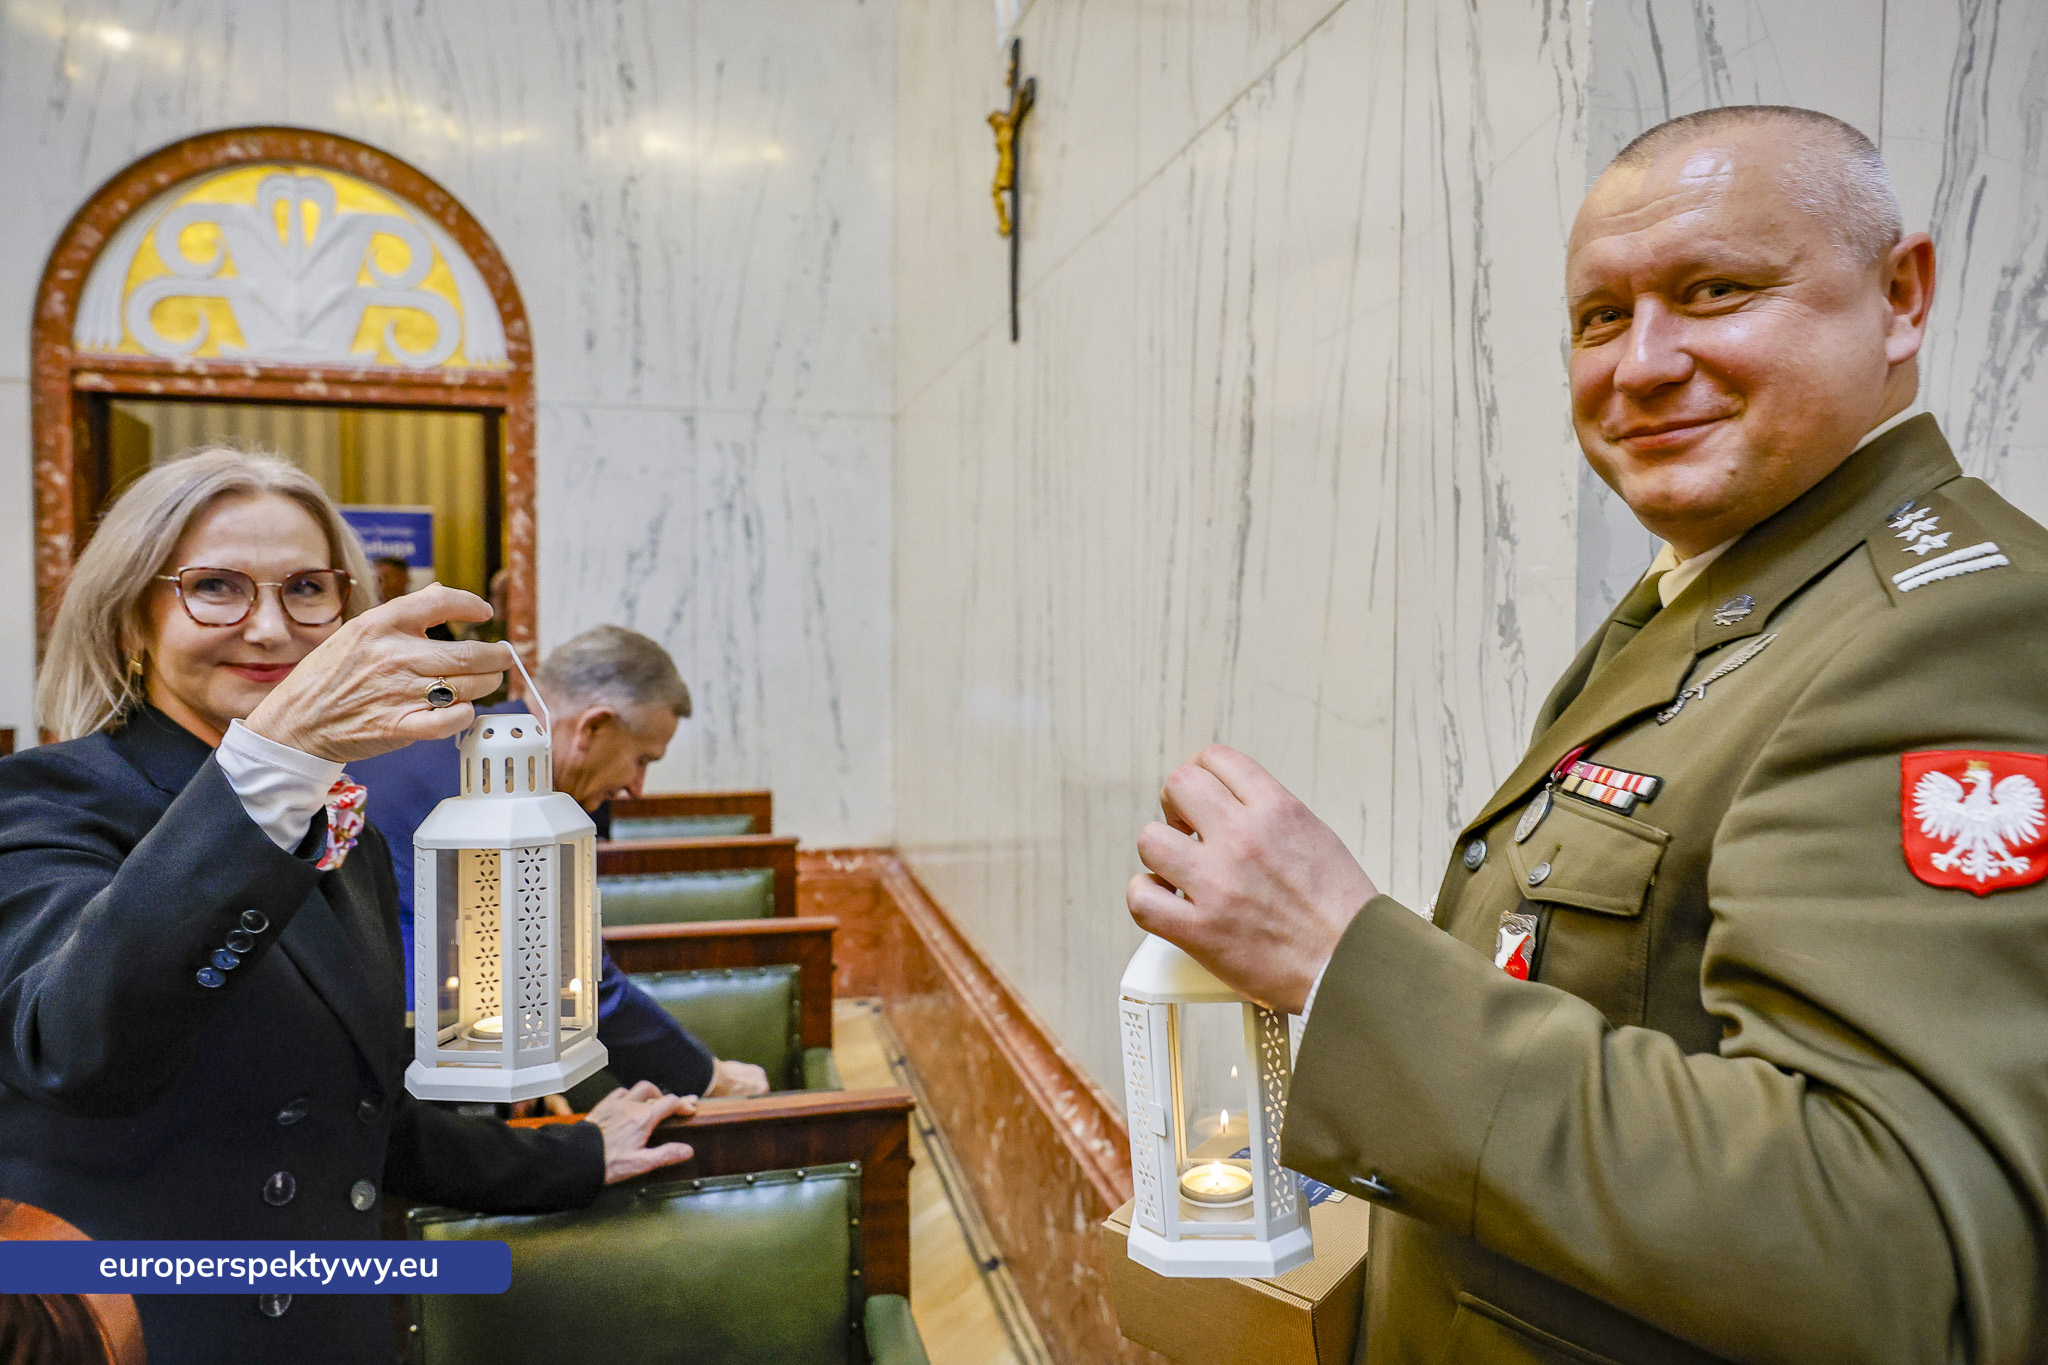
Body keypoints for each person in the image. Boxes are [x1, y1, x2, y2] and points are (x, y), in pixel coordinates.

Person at [1129, 106, 2048, 1363]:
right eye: (1600, 318)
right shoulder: (1727, 594)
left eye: (1715, 290)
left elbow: (1889, 1247)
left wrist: (1343, 965)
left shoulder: (1949, 634)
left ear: (1900, 296)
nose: (1641, 365)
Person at [0, 449, 696, 1363]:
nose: (269, 628)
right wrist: (277, 752)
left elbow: (362, 1111)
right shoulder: (45, 799)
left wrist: (574, 1154)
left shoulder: (342, 829)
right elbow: (79, 1046)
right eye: (215, 587)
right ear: (135, 615)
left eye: (307, 590)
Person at [348, 625, 772, 1103]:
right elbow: (577, 986)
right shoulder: (507, 793)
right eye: (641, 760)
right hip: (393, 1079)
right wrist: (711, 1079)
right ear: (593, 727)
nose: (637, 788)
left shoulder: (438, 740)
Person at [372, 554, 454, 641]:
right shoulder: (370, 612)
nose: (378, 583)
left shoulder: (427, 612)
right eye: (376, 579)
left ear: (403, 578)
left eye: (384, 578)